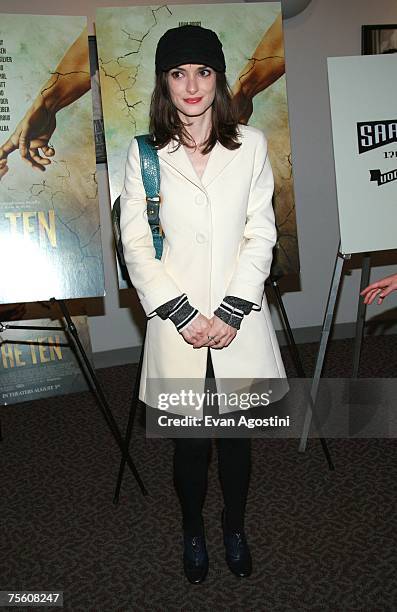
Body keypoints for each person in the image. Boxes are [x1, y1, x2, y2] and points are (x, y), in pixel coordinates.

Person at [120, 25, 286, 584]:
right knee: (191, 446)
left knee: (236, 444)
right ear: (164, 83)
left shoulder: (252, 145)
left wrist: (235, 308)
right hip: (178, 326)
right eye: (178, 73)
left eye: (203, 72)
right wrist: (184, 313)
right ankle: (193, 530)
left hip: (239, 323)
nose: (191, 85)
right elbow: (136, 246)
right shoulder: (143, 154)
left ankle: (234, 526)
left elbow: (261, 233)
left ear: (218, 78)